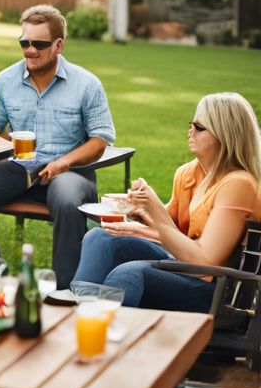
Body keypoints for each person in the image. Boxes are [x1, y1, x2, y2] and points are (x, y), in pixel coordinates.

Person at [0, 5, 115, 288]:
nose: (30, 50)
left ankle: (66, 291)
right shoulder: (6, 80)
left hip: (71, 172)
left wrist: (64, 162)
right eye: (24, 42)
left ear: (59, 45)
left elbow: (100, 140)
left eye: (39, 44)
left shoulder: (86, 84)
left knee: (66, 201)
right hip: (21, 168)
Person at [73, 93, 261, 313]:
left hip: (214, 289)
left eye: (200, 128)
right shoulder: (189, 173)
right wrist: (139, 210)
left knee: (130, 273)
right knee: (100, 237)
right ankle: (75, 316)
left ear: (226, 136)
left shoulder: (238, 184)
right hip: (181, 265)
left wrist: (152, 209)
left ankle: (104, 336)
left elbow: (205, 262)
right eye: (192, 124)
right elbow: (168, 226)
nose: (191, 131)